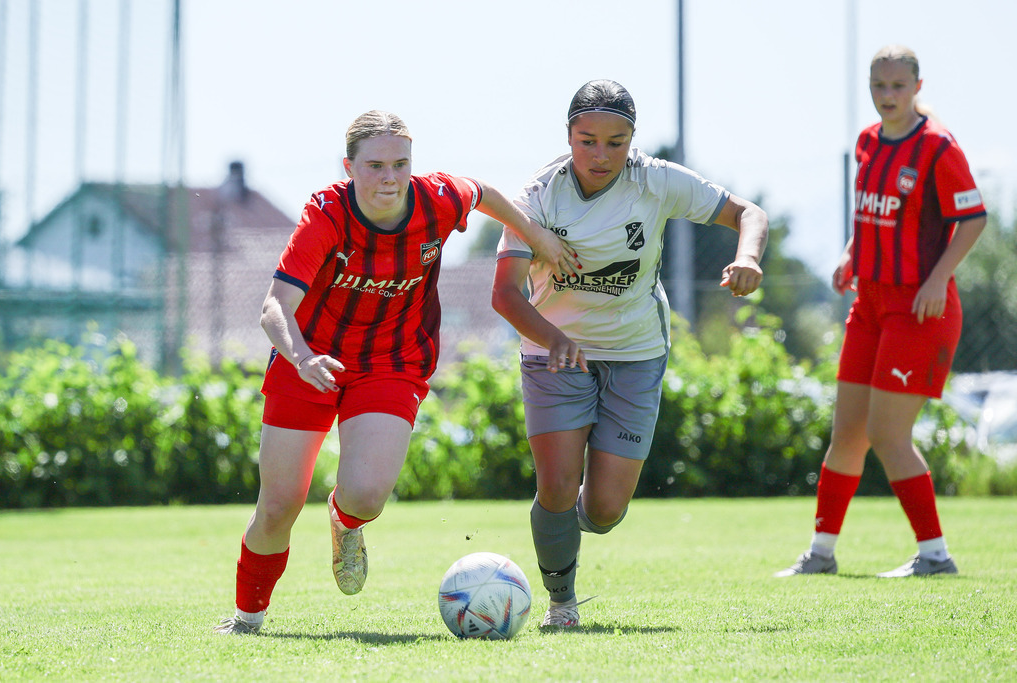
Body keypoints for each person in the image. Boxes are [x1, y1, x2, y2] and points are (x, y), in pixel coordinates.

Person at [214, 110, 577, 634]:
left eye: (401, 164)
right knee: (278, 505)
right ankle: (248, 618)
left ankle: (346, 522)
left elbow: (484, 193)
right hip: (309, 358)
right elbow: (275, 306)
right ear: (349, 167)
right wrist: (302, 358)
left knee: (366, 495)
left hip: (393, 360)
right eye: (376, 165)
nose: (390, 177)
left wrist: (536, 235)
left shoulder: (436, 199)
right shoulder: (326, 214)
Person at [491, 80, 769, 628]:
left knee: (603, 510)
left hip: (636, 354)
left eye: (616, 142)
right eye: (587, 140)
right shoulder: (537, 196)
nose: (601, 154)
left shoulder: (656, 179)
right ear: (568, 135)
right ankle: (561, 602)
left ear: (632, 140)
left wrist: (749, 259)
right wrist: (555, 339)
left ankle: (561, 524)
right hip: (553, 354)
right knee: (555, 485)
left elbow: (749, 214)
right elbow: (503, 294)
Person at [775, 45, 987, 579]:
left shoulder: (938, 148)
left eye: (897, 86)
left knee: (888, 433)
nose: (887, 96)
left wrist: (938, 278)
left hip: (919, 306)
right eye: (878, 86)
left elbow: (974, 218)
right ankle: (820, 552)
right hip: (869, 303)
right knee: (847, 434)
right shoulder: (868, 142)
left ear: (918, 86)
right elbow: (874, 215)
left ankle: (935, 556)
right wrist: (852, 253)